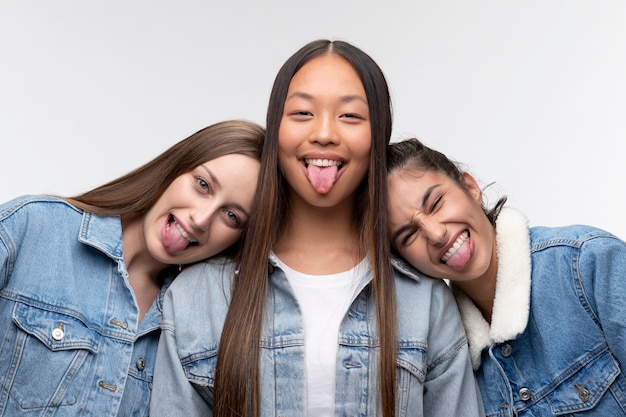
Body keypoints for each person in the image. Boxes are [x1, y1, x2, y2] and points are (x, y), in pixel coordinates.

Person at [151, 39, 484, 417]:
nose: (324, 133)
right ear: (276, 129)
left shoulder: (423, 299)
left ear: (378, 137)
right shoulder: (198, 295)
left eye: (350, 117)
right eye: (303, 113)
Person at [0, 119, 264, 416]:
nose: (201, 219)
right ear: (174, 168)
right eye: (202, 185)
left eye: (231, 216)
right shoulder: (32, 227)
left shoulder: (194, 327)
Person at [386, 137, 626, 416]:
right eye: (409, 234)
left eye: (436, 203)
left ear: (470, 187)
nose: (436, 234)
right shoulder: (446, 359)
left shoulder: (588, 262)